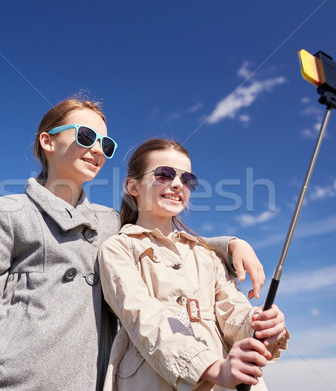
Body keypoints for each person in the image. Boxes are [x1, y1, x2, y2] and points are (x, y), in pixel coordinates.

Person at [0, 98, 266, 391]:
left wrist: (230, 244)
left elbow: (163, 237)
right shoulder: (7, 212)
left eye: (106, 145)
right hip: (10, 380)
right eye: (86, 136)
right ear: (47, 141)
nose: (97, 150)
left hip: (88, 381)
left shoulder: (109, 222)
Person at [98, 139, 289, 391]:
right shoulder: (117, 249)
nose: (178, 184)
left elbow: (232, 311)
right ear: (133, 186)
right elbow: (142, 317)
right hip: (151, 380)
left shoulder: (206, 254)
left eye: (187, 179)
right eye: (164, 174)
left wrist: (261, 323)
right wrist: (212, 368)